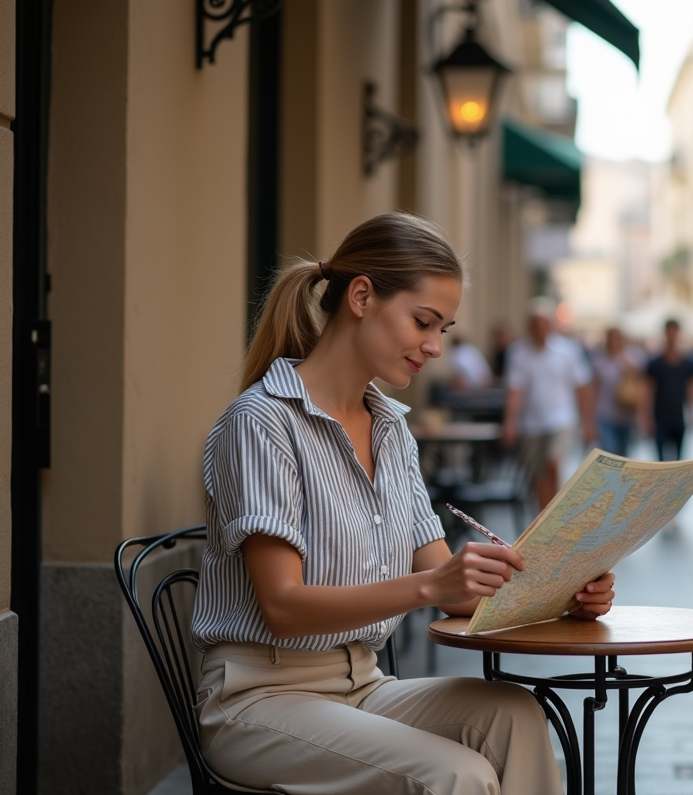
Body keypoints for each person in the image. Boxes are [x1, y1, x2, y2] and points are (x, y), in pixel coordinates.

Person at [191, 214, 614, 795]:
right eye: (423, 322)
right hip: (259, 698)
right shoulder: (262, 422)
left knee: (515, 713)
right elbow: (283, 606)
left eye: (443, 328)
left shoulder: (390, 430)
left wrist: (565, 594)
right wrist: (431, 585)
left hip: (362, 683)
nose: (436, 347)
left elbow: (452, 588)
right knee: (457, 775)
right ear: (362, 297)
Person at [502, 298, 596, 509]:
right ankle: (543, 512)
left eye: (544, 324)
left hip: (561, 419)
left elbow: (582, 388)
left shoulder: (568, 351)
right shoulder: (518, 353)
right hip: (532, 423)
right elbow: (515, 390)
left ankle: (553, 509)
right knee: (538, 473)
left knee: (553, 463)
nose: (540, 329)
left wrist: (588, 422)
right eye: (536, 324)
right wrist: (510, 421)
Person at [642, 318, 693, 462]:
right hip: (659, 417)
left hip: (679, 417)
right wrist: (646, 418)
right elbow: (647, 392)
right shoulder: (655, 364)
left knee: (678, 460)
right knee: (660, 460)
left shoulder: (688, 364)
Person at [591, 327, 646, 457]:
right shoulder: (599, 362)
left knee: (624, 454)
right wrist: (591, 418)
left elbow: (640, 382)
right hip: (606, 414)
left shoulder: (632, 357)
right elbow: (594, 389)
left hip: (627, 415)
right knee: (609, 450)